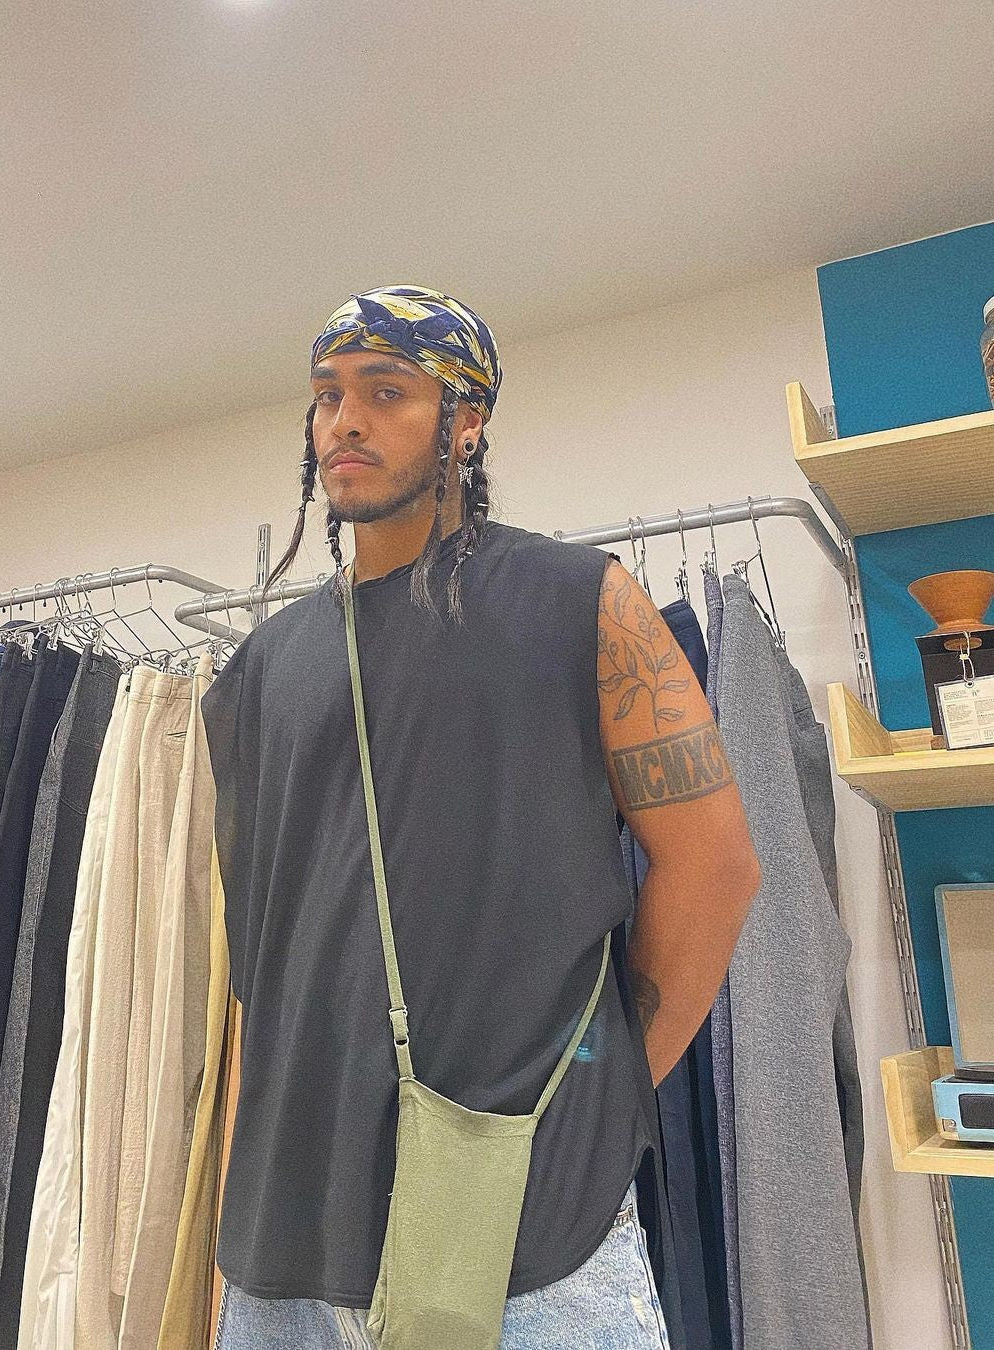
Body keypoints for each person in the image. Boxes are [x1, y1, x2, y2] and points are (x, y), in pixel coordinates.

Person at [200, 285, 760, 1349]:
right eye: (327, 395)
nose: (345, 421)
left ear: (466, 421)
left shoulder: (579, 600)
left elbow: (715, 869)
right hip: (284, 1243)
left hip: (522, 1236)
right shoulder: (262, 666)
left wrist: (605, 1100)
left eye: (386, 392)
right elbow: (262, 958)